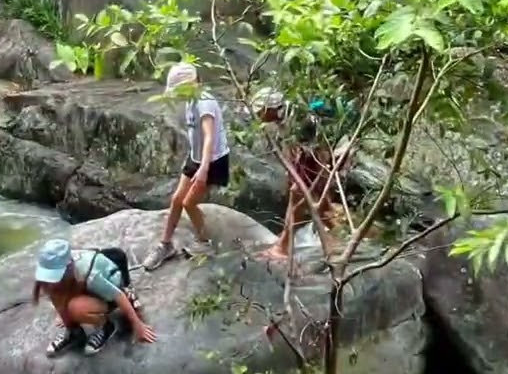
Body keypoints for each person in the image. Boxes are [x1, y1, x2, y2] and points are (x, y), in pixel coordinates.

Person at [141, 63, 232, 271]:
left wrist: (204, 169)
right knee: (176, 200)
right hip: (196, 157)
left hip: (212, 160)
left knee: (189, 203)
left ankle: (205, 242)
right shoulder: (192, 100)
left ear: (190, 84)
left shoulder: (204, 102)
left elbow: (209, 137)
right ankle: (165, 245)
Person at [254, 88, 354, 261]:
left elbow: (314, 157)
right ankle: (341, 240)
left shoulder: (299, 122)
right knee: (320, 203)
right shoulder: (287, 116)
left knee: (298, 195)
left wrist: (316, 180)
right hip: (320, 152)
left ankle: (283, 247)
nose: (257, 116)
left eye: (259, 111)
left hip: (333, 151)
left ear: (270, 109)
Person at [33, 239, 156, 356]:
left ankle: (106, 327)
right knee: (55, 292)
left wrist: (137, 325)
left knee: (76, 308)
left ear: (69, 267)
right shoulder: (59, 269)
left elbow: (119, 296)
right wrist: (65, 316)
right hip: (85, 289)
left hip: (107, 294)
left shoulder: (91, 274)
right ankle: (74, 332)